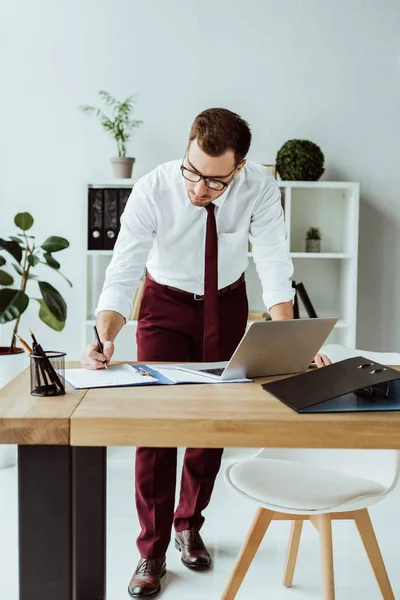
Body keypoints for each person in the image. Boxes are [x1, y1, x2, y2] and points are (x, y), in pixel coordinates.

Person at [81, 107, 331, 598]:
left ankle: (188, 524)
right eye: (192, 172)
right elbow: (124, 266)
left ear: (238, 167)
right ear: (188, 150)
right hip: (163, 304)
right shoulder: (155, 187)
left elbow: (276, 263)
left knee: (213, 416)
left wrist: (290, 342)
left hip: (228, 300)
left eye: (214, 181)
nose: (198, 189)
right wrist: (106, 334)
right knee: (156, 427)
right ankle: (151, 551)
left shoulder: (259, 187)